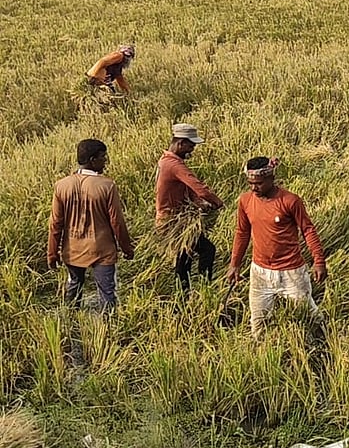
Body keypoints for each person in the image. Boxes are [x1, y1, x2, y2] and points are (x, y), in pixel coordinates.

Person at [226, 157, 327, 336]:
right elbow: (242, 232)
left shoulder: (290, 201)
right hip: (260, 272)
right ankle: (261, 351)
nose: (254, 188)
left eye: (258, 183)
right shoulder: (245, 201)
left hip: (292, 272)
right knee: (258, 321)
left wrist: (319, 261)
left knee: (309, 315)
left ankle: (325, 341)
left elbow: (308, 230)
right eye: (250, 183)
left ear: (271, 178)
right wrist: (235, 264)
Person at [47, 139, 134, 311]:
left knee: (74, 286)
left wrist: (52, 253)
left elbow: (55, 224)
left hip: (72, 249)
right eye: (103, 157)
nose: (105, 161)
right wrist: (126, 248)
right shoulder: (107, 186)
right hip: (101, 250)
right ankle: (108, 330)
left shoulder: (61, 186)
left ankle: (70, 324)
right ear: (93, 160)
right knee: (107, 293)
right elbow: (117, 222)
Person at [155, 123, 224, 292]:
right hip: (173, 221)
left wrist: (200, 203)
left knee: (185, 256)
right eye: (190, 145)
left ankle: (187, 293)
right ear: (180, 143)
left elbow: (188, 191)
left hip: (176, 219)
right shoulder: (174, 165)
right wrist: (217, 202)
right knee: (202, 251)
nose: (191, 150)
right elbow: (198, 187)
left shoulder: (167, 161)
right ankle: (202, 289)